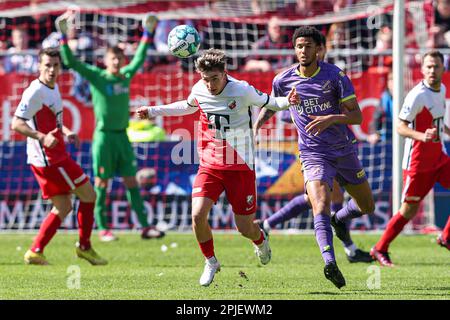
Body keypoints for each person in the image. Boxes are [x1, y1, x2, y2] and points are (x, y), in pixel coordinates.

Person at [136, 48, 299, 287]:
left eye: (214, 78)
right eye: (205, 79)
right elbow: (187, 106)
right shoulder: (200, 89)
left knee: (244, 228)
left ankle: (260, 239)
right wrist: (152, 111)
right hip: (210, 164)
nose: (210, 85)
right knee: (197, 215)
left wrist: (289, 100)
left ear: (225, 73)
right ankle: (211, 261)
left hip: (240, 165)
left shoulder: (241, 90)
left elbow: (270, 101)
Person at [254, 26, 376, 289]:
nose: (303, 51)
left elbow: (357, 116)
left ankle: (340, 220)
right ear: (294, 49)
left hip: (344, 150)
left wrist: (332, 117)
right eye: (299, 46)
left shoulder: (335, 76)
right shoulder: (283, 80)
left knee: (366, 206)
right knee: (319, 203)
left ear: (319, 49)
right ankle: (330, 262)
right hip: (313, 153)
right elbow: (272, 106)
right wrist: (255, 128)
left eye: (308, 46)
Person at [56, 12, 165, 242]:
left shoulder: (125, 75)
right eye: (112, 58)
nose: (116, 62)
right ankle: (103, 228)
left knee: (131, 182)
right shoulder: (98, 76)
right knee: (101, 184)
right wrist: (64, 38)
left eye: (119, 58)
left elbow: (139, 59)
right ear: (105, 60)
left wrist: (148, 33)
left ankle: (145, 227)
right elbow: (72, 63)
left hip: (122, 137)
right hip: (104, 138)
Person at [11, 48, 107, 266]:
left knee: (63, 206)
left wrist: (66, 131)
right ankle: (84, 247)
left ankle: (35, 251)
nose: (52, 69)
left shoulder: (51, 89)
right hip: (50, 159)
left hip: (50, 156)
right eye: (47, 65)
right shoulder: (34, 91)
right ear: (39, 66)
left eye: (56, 65)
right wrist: (41, 137)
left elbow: (50, 120)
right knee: (89, 195)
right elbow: (16, 123)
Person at [370, 50, 450, 266]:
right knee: (409, 210)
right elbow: (400, 126)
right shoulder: (417, 95)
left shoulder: (441, 89)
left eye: (436, 66)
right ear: (422, 69)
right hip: (417, 164)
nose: (432, 70)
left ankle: (446, 236)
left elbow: (439, 122)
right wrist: (421, 136)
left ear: (443, 69)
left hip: (439, 158)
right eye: (429, 66)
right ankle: (379, 248)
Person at [367, 71, 393, 145]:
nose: (393, 82)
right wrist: (373, 133)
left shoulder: (407, 97)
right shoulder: (385, 98)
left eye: (394, 79)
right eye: (390, 79)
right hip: (388, 139)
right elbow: (376, 117)